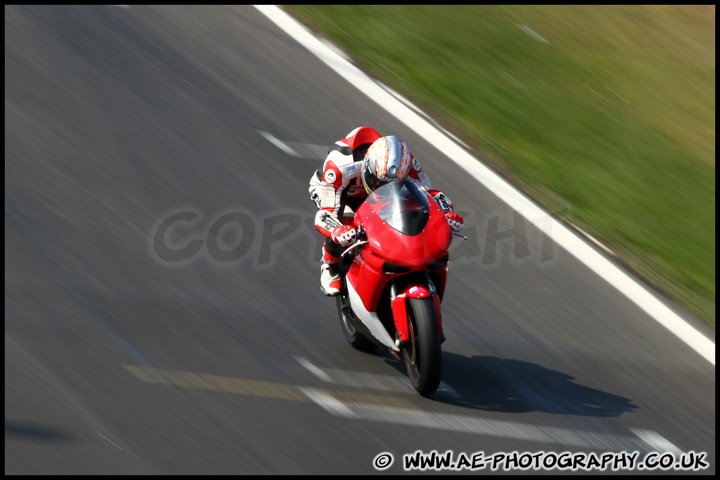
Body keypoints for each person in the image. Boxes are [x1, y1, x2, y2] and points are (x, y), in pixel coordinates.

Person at [308, 126, 464, 296]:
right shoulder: (340, 167)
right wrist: (338, 230)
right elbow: (325, 214)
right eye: (379, 182)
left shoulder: (407, 164)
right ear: (368, 167)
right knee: (345, 219)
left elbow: (428, 196)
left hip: (377, 195)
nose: (382, 188)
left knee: (409, 207)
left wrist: (445, 214)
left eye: (392, 184)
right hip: (339, 192)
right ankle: (330, 264)